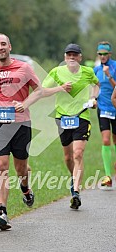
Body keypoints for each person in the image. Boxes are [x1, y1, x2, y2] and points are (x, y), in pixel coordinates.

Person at [0, 33, 64, 230]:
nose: (0, 47)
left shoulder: (24, 68)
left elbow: (39, 91)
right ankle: (2, 212)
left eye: (3, 44)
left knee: (21, 169)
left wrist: (23, 104)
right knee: (1, 166)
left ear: (9, 46)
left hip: (21, 124)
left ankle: (25, 189)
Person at [42, 43, 99, 210]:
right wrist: (60, 88)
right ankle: (74, 178)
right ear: (65, 57)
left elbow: (96, 85)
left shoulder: (88, 72)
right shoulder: (56, 72)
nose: (72, 57)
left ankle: (75, 192)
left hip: (82, 116)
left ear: (80, 57)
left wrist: (94, 98)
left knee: (78, 153)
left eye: (75, 55)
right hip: (62, 118)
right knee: (68, 157)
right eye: (69, 55)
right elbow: (43, 90)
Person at [94, 41, 116, 187]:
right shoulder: (96, 69)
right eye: (100, 54)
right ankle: (108, 176)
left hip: (115, 107)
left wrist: (109, 75)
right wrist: (93, 98)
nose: (102, 56)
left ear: (109, 54)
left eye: (104, 54)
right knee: (106, 140)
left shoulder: (114, 66)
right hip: (102, 107)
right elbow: (96, 87)